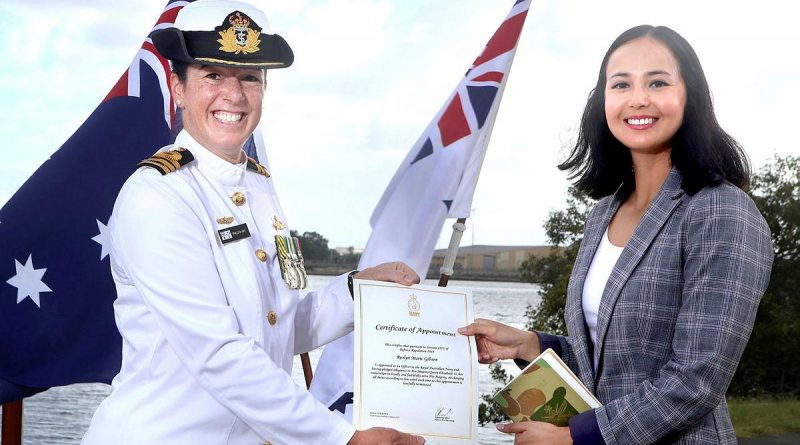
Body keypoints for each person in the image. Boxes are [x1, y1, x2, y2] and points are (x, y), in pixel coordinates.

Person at [82, 1, 424, 444]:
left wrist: (357, 289)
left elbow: (276, 328)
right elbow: (219, 353)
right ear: (178, 88)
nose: (235, 94)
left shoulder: (258, 188)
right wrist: (341, 438)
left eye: (250, 77)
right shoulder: (159, 194)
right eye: (212, 75)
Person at [459, 25, 773, 445]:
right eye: (621, 84)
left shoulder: (720, 209)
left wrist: (575, 438)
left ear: (690, 96)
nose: (638, 98)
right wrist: (529, 344)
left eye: (657, 82)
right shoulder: (603, 214)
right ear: (603, 101)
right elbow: (617, 361)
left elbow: (696, 379)